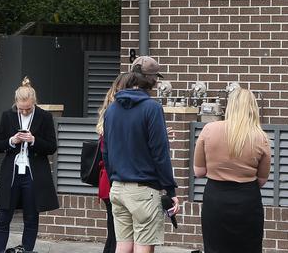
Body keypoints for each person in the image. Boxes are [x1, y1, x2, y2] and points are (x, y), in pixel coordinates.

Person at [103, 56, 179, 253]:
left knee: (122, 245)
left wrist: (114, 180)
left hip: (118, 187)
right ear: (152, 80)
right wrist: (170, 190)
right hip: (143, 189)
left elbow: (107, 151)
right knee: (144, 247)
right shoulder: (152, 108)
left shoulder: (111, 109)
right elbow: (160, 153)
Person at [193, 85, 272, 253]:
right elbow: (262, 180)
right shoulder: (260, 137)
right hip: (247, 201)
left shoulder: (209, 129)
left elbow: (199, 172)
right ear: (252, 108)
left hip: (216, 200)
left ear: (230, 106)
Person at [0, 77, 59, 253]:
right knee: (3, 216)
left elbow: (52, 147)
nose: (24, 111)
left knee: (31, 217)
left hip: (33, 173)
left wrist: (34, 140)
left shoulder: (44, 117)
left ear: (34, 103)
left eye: (28, 108)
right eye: (21, 109)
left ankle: (26, 250)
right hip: (11, 172)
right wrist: (12, 140)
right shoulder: (8, 115)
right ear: (16, 104)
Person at [95, 72, 132, 253]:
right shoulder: (118, 115)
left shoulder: (109, 115)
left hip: (108, 181)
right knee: (117, 236)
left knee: (114, 233)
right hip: (114, 180)